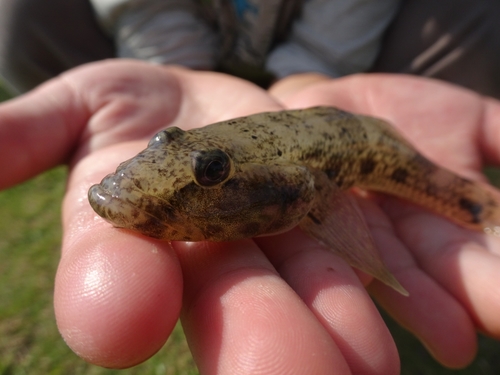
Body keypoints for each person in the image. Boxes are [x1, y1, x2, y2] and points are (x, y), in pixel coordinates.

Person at [0, 1, 500, 374]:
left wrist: (309, 71)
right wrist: (173, 61)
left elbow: (305, 187)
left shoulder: (301, 184)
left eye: (210, 179)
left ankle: (484, 210)